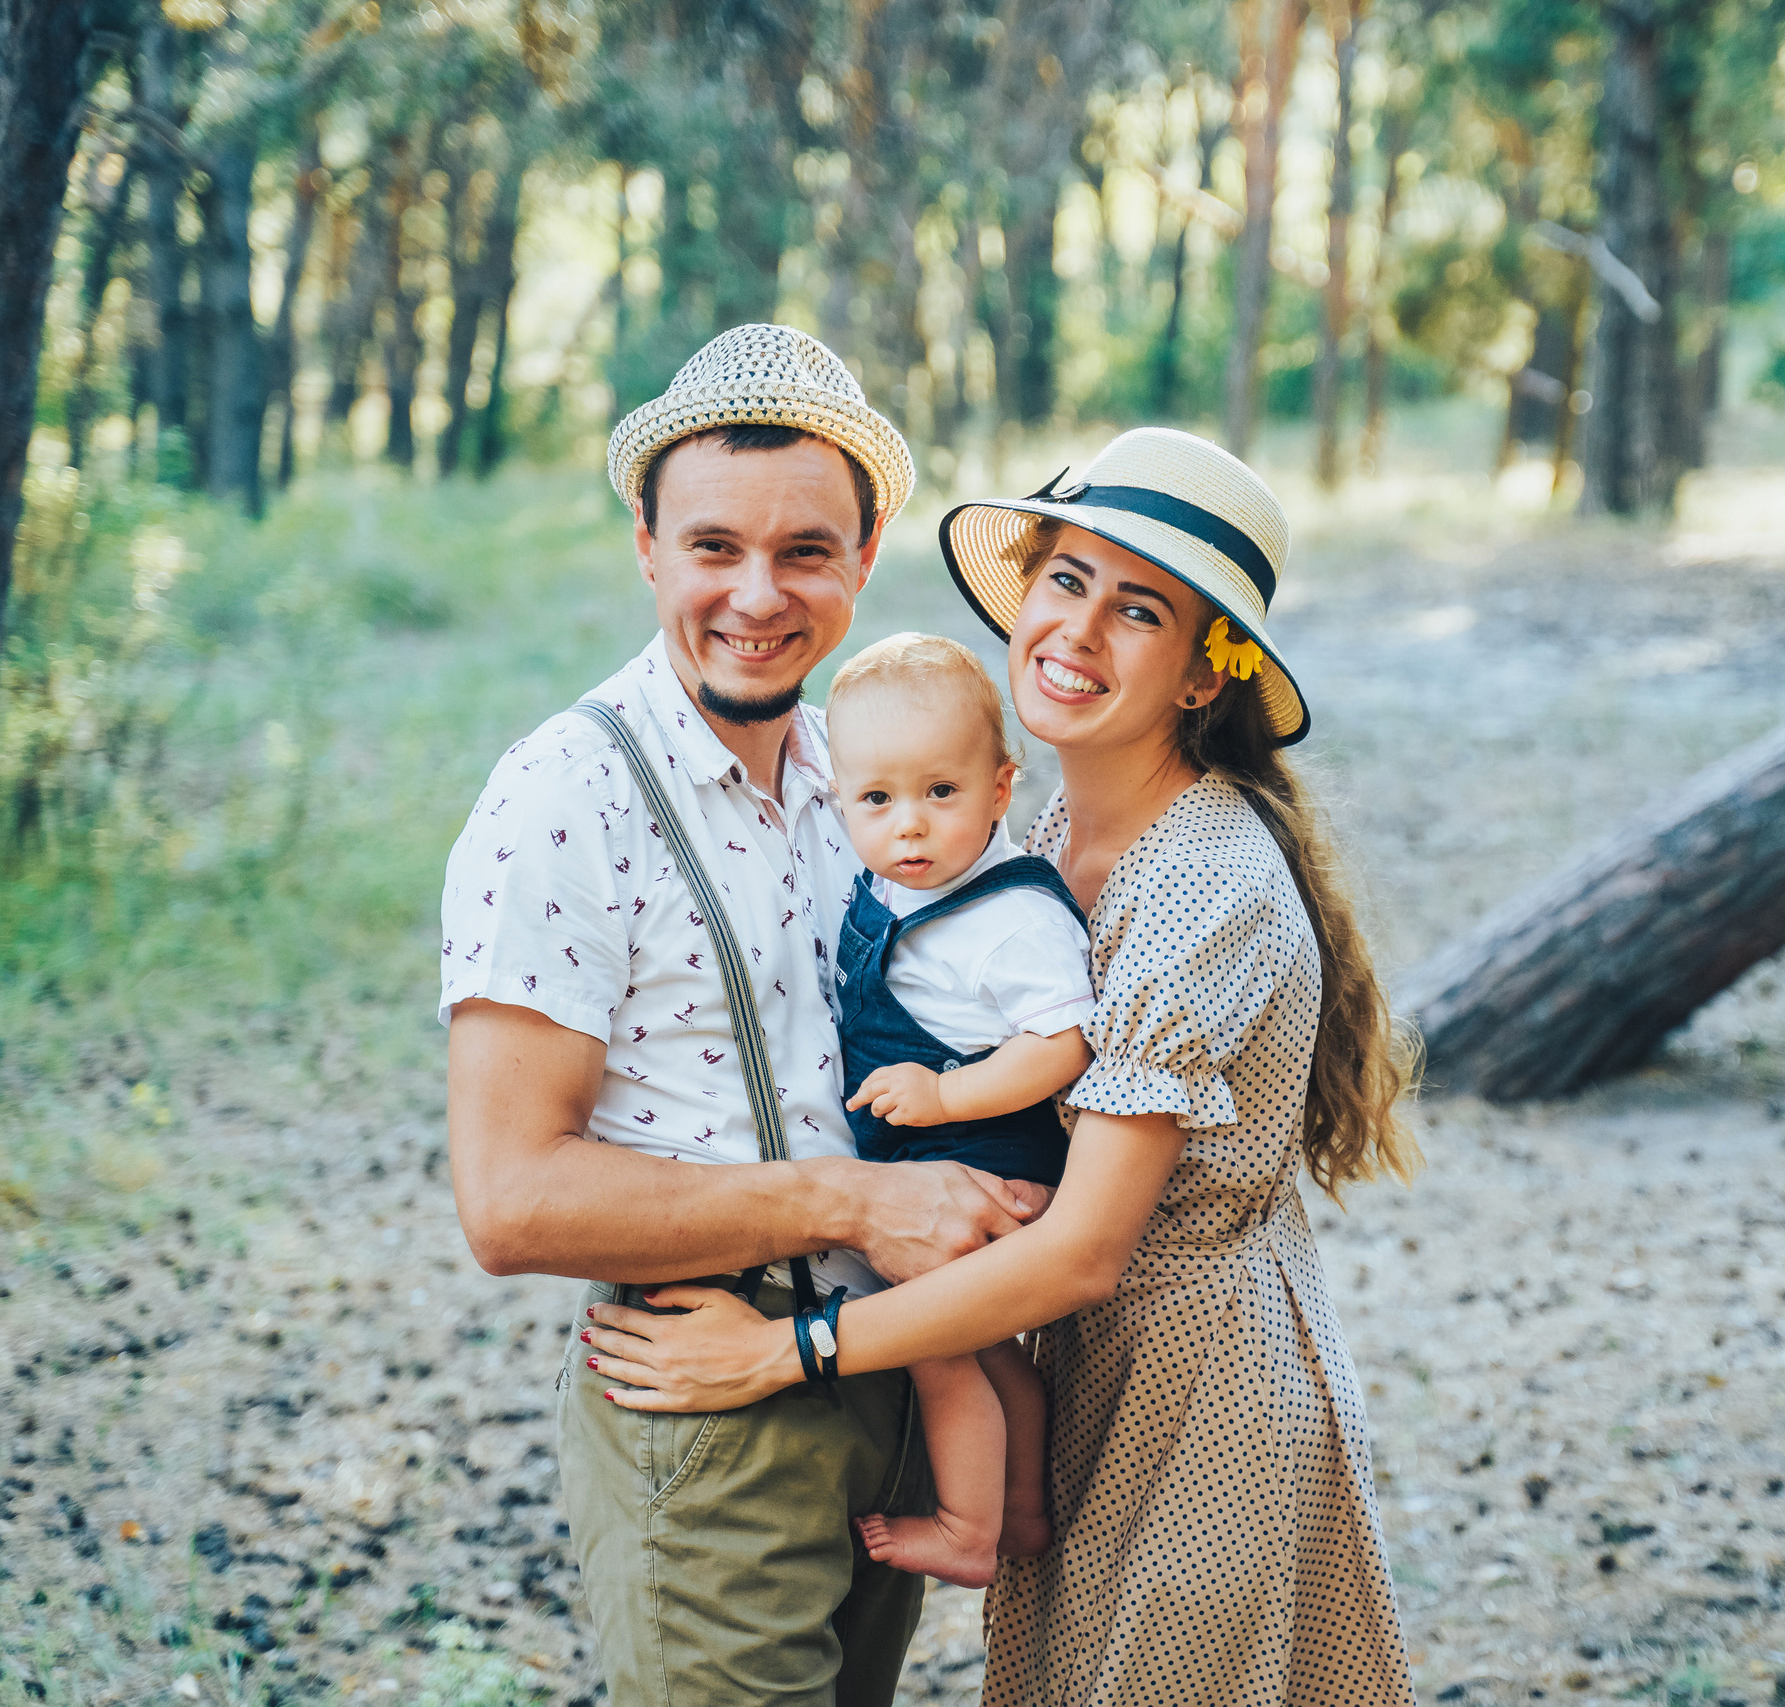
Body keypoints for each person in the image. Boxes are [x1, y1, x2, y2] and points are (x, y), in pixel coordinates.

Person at [576, 427, 1423, 1705]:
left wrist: (786, 1350)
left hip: (1198, 1386)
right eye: (1064, 582)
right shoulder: (1036, 829)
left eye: (1138, 610)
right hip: (1080, 1362)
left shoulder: (1201, 878)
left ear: (1203, 674)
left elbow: (1086, 1247)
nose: (1075, 632)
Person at [440, 324, 1050, 1707]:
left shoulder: (864, 775)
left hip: (897, 1381)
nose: (758, 595)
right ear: (646, 544)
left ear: (866, 552)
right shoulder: (561, 798)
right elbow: (510, 1200)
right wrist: (854, 1204)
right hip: (712, 1413)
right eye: (714, 547)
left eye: (806, 551)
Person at [823, 632, 1095, 1588]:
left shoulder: (1009, 916)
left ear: (1000, 786)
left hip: (987, 1158)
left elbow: (1061, 1043)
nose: (910, 826)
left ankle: (966, 1530)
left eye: (941, 793)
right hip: (953, 1156)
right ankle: (1022, 1510)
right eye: (877, 799)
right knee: (990, 1350)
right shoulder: (894, 886)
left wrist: (946, 1093)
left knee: (935, 1347)